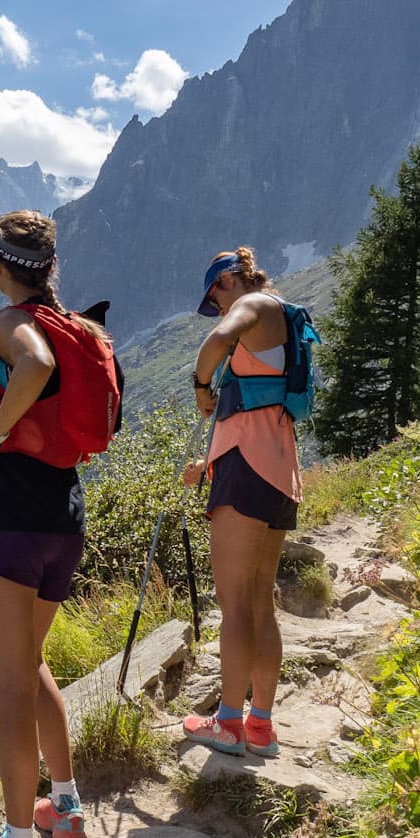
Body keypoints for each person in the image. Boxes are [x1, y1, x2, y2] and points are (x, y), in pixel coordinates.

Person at [0, 210, 96, 838]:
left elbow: (31, 365)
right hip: (64, 515)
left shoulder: (16, 324)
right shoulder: (78, 329)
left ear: (1, 264)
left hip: (11, 518)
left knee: (9, 683)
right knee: (30, 663)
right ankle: (63, 809)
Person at [181, 247, 303, 759]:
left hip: (245, 466)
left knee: (233, 604)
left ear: (233, 278)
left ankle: (227, 723)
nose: (217, 302)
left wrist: (201, 384)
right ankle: (260, 726)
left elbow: (217, 340)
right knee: (259, 600)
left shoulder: (253, 306)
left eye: (217, 291)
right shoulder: (283, 322)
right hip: (279, 469)